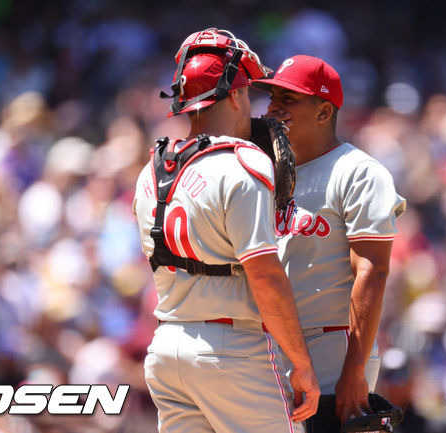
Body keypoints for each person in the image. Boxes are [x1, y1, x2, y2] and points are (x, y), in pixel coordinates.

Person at [133, 29, 319, 433]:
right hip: (232, 351)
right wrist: (301, 364)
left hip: (167, 347)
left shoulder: (150, 171)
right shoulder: (242, 163)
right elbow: (266, 276)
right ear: (234, 94)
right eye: (248, 92)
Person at [252, 55, 406, 425]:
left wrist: (353, 372)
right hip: (267, 351)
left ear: (324, 112)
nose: (274, 107)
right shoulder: (259, 169)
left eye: (289, 99)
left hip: (331, 350)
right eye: (273, 97)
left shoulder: (359, 173)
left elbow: (373, 272)